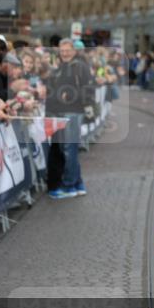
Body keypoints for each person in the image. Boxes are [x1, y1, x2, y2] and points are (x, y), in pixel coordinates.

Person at [44, 38, 94, 199]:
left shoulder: (80, 67)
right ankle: (78, 184)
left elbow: (89, 90)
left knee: (68, 149)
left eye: (67, 50)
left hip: (73, 111)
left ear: (73, 51)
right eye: (62, 50)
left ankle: (69, 185)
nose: (65, 53)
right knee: (68, 149)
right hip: (62, 112)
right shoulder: (61, 67)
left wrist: (70, 94)